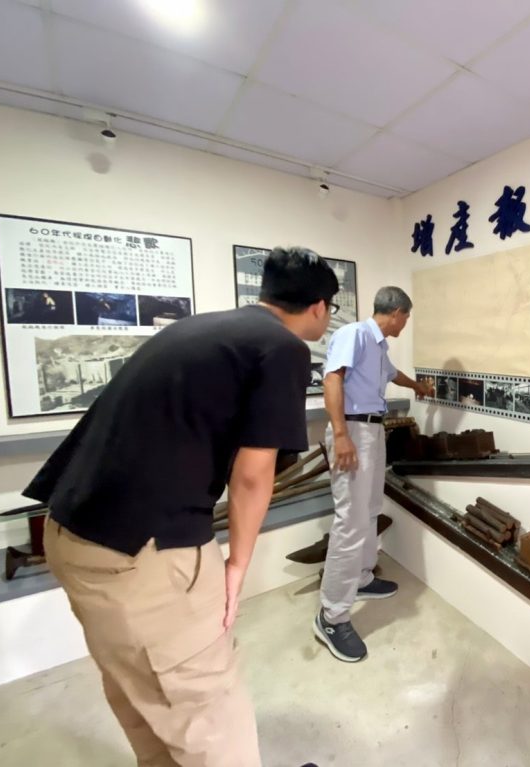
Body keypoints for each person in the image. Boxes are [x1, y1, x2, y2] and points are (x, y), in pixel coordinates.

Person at [23, 247, 339, 767]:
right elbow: (252, 474)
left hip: (70, 532)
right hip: (142, 554)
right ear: (320, 307)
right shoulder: (282, 347)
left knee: (142, 697)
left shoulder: (196, 329)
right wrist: (237, 566)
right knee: (206, 710)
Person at [314, 286, 434, 662]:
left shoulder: (379, 346)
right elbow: (332, 379)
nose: (406, 323)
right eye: (406, 317)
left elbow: (394, 375)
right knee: (350, 522)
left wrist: (418, 386)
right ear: (396, 312)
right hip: (352, 429)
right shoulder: (354, 334)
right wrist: (341, 435)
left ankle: (362, 578)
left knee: (368, 511)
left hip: (372, 429)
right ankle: (331, 615)